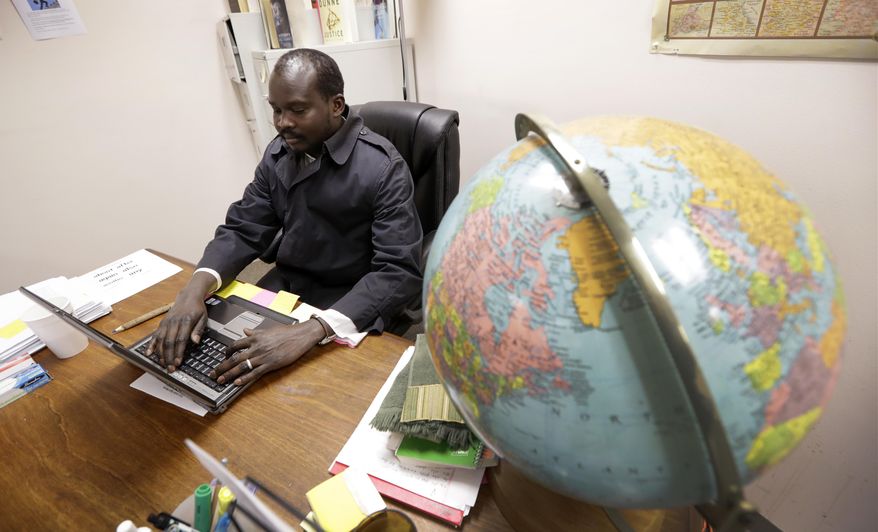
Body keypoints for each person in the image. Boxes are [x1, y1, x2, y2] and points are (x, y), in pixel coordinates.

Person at [147, 48, 422, 388]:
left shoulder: (383, 168)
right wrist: (193, 290)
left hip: (348, 299)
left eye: (297, 110)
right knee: (213, 362)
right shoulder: (279, 152)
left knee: (303, 397)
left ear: (336, 105)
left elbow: (398, 271)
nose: (282, 122)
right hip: (288, 287)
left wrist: (312, 330)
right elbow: (243, 228)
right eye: (276, 109)